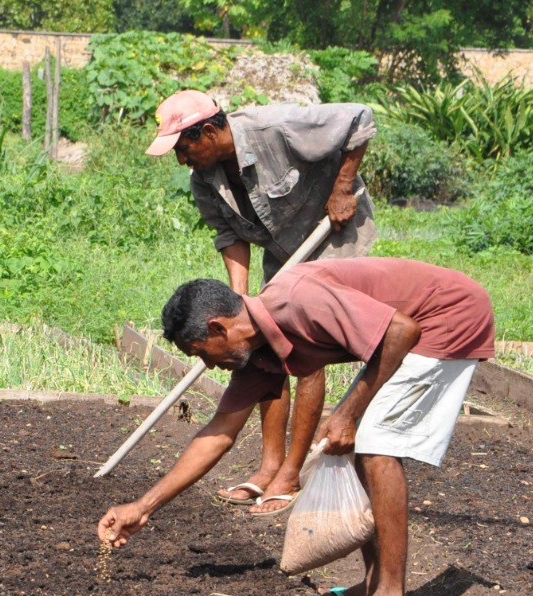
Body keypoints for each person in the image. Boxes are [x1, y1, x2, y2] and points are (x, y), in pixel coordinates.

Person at [95, 257, 495, 596]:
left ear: (218, 329)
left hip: (448, 315)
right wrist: (142, 508)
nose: (210, 367)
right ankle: (374, 586)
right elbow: (219, 432)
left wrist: (349, 412)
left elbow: (402, 330)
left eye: (202, 354)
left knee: (377, 446)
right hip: (417, 325)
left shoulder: (297, 300)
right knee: (357, 445)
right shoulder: (257, 353)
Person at [146, 89, 378, 516]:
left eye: (184, 147)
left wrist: (343, 187)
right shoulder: (205, 179)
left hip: (333, 239)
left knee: (306, 348)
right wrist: (240, 301)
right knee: (261, 349)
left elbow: (358, 118)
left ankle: (290, 475)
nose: (182, 160)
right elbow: (229, 235)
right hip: (284, 253)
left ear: (211, 130)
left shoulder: (276, 127)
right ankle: (267, 466)